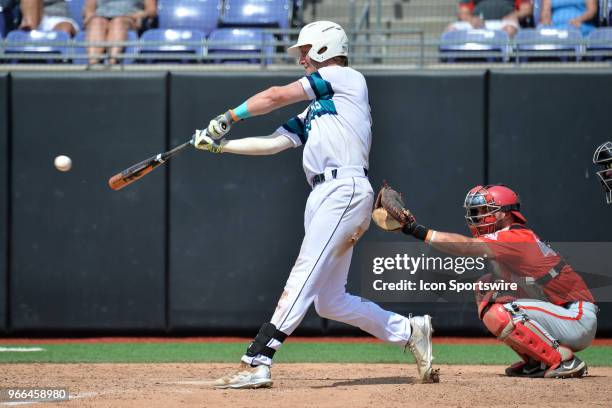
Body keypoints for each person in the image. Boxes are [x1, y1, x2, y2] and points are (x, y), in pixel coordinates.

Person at [191, 21, 437, 389]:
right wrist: (220, 146)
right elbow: (274, 143)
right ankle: (410, 331)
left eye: (305, 51)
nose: (301, 58)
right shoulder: (317, 110)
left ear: (325, 48)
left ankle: (257, 360)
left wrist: (228, 118)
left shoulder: (346, 78)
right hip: (324, 195)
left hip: (344, 189)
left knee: (303, 274)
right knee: (330, 301)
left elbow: (275, 95)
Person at [373, 183, 597, 378]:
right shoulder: (514, 237)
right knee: (487, 287)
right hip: (563, 314)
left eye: (484, 210)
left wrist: (417, 231)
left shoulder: (514, 237)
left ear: (506, 213)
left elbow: (466, 246)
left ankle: (563, 360)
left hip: (577, 318)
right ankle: (537, 361)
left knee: (501, 310)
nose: (477, 216)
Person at [84, 0, 156, 64]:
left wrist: (138, 16)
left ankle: (112, 63)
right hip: (100, 17)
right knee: (97, 22)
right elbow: (89, 10)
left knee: (118, 22)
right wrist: (90, 18)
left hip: (129, 18)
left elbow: (151, 10)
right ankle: (93, 64)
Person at [448, 0, 533, 37]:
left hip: (505, 22)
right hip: (478, 23)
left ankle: (506, 59)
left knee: (509, 29)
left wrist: (515, 15)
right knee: (452, 29)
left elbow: (527, 9)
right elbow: (463, 12)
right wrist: (471, 19)